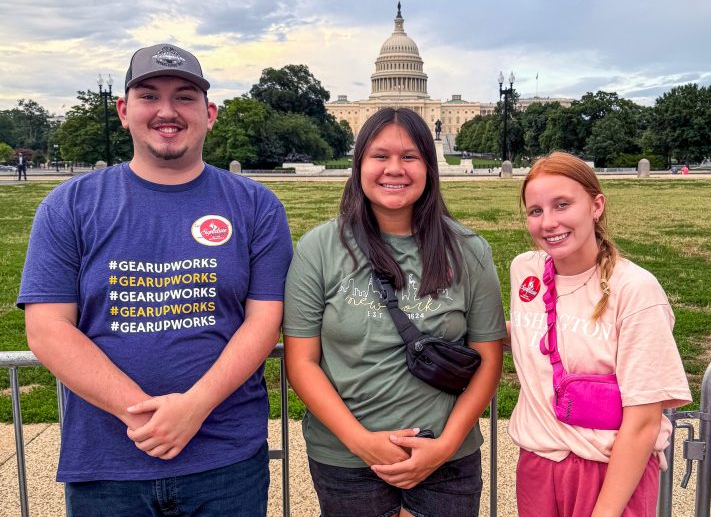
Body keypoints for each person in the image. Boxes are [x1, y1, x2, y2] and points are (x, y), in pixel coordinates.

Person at [18, 43, 292, 516]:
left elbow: (265, 321)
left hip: (226, 460)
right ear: (124, 111)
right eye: (149, 96)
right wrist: (141, 414)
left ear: (209, 113)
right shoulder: (68, 206)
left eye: (185, 97)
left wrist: (194, 408)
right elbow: (47, 329)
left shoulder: (257, 206)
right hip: (107, 463)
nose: (167, 111)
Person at [283, 107, 506, 517]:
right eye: (380, 156)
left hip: (446, 459)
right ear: (360, 164)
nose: (394, 169)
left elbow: (490, 358)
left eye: (409, 157)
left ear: (428, 165)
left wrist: (444, 446)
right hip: (346, 459)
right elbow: (301, 361)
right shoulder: (318, 248)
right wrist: (360, 441)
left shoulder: (469, 250)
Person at [508, 151, 691, 517]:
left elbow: (643, 421)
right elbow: (534, 334)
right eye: (536, 211)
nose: (549, 222)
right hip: (539, 463)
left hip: (610, 469)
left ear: (596, 205)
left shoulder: (635, 289)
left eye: (562, 205)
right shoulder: (524, 270)